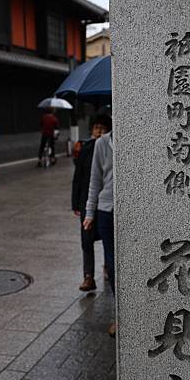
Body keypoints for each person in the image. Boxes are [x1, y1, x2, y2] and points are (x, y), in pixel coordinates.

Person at [83, 117, 116, 334]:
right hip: (106, 210)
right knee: (112, 264)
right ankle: (121, 314)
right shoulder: (102, 143)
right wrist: (89, 212)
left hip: (132, 211)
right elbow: (95, 180)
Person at [72, 115, 111, 292]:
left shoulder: (108, 147)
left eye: (102, 128)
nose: (99, 131)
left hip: (104, 204)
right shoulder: (87, 148)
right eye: (96, 128)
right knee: (86, 241)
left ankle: (107, 266)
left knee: (107, 239)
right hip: (86, 202)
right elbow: (78, 177)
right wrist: (75, 203)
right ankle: (88, 276)